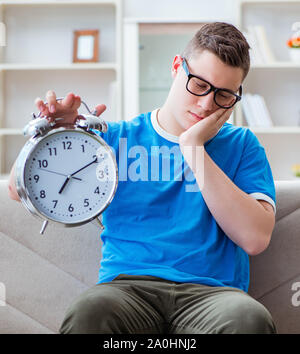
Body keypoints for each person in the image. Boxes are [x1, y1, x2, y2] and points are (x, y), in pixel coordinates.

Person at [8, 22, 277, 334]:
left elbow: (255, 238)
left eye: (224, 96)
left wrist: (193, 148)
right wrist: (48, 130)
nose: (207, 105)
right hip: (127, 290)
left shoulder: (242, 145)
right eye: (200, 85)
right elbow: (17, 188)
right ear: (177, 67)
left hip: (214, 296)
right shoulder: (115, 139)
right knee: (88, 313)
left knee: (249, 320)